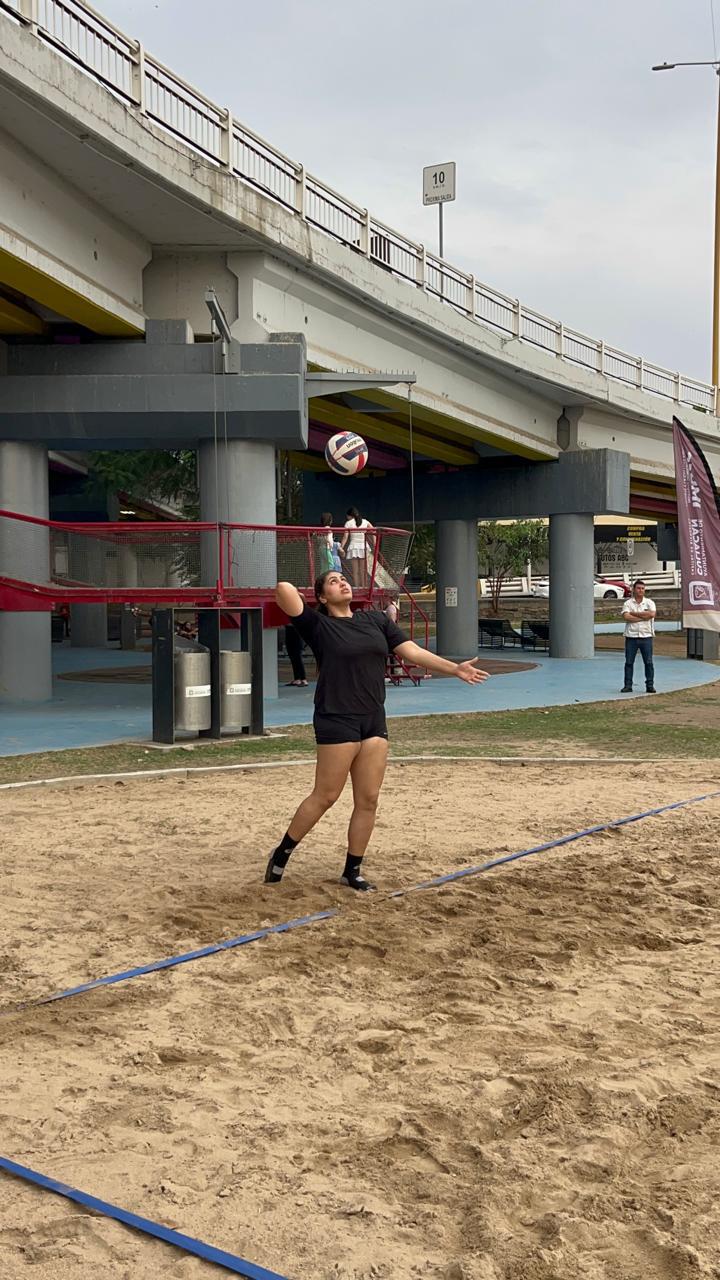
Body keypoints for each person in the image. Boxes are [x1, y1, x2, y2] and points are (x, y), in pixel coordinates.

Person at [265, 570, 489, 891]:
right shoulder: (318, 625)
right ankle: (282, 853)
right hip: (336, 717)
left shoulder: (375, 621)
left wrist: (454, 668)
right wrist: (311, 581)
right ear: (323, 598)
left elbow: (411, 651)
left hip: (373, 719)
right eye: (333, 581)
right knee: (326, 796)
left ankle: (352, 870)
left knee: (368, 799)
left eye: (343, 578)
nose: (342, 582)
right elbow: (283, 588)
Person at [621, 578, 656, 693]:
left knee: (649, 662)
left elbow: (651, 614)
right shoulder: (627, 603)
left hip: (646, 636)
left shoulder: (650, 603)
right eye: (638, 588)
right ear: (633, 589)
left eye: (642, 588)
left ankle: (650, 685)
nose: (640, 590)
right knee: (629, 662)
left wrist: (634, 614)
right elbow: (626, 617)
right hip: (631, 637)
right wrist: (643, 617)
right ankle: (628, 685)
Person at [340, 507, 373, 589]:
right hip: (363, 546)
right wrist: (375, 542)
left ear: (350, 516)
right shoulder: (365, 521)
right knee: (363, 570)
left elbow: (345, 537)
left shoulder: (348, 523)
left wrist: (341, 547)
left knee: (355, 571)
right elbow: (373, 530)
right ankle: (364, 586)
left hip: (353, 547)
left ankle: (357, 587)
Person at [284, 622, 308, 686]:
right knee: (292, 655)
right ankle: (297, 679)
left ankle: (303, 679)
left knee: (297, 656)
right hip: (288, 628)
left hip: (297, 629)